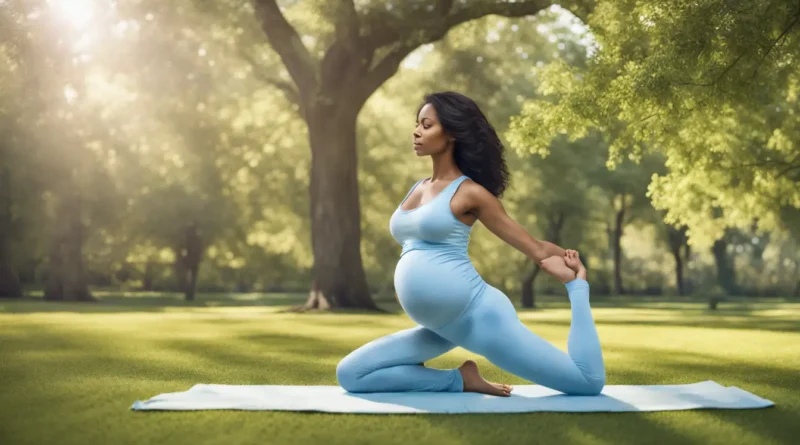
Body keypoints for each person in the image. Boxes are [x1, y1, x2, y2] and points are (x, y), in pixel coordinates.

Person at [336, 92, 605, 397]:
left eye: (426, 125)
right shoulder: (418, 187)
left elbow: (536, 248)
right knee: (350, 374)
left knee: (587, 383)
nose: (416, 131)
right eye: (417, 124)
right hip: (440, 328)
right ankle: (459, 380)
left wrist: (573, 275)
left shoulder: (471, 193)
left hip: (480, 319)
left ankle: (579, 293)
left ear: (451, 133)